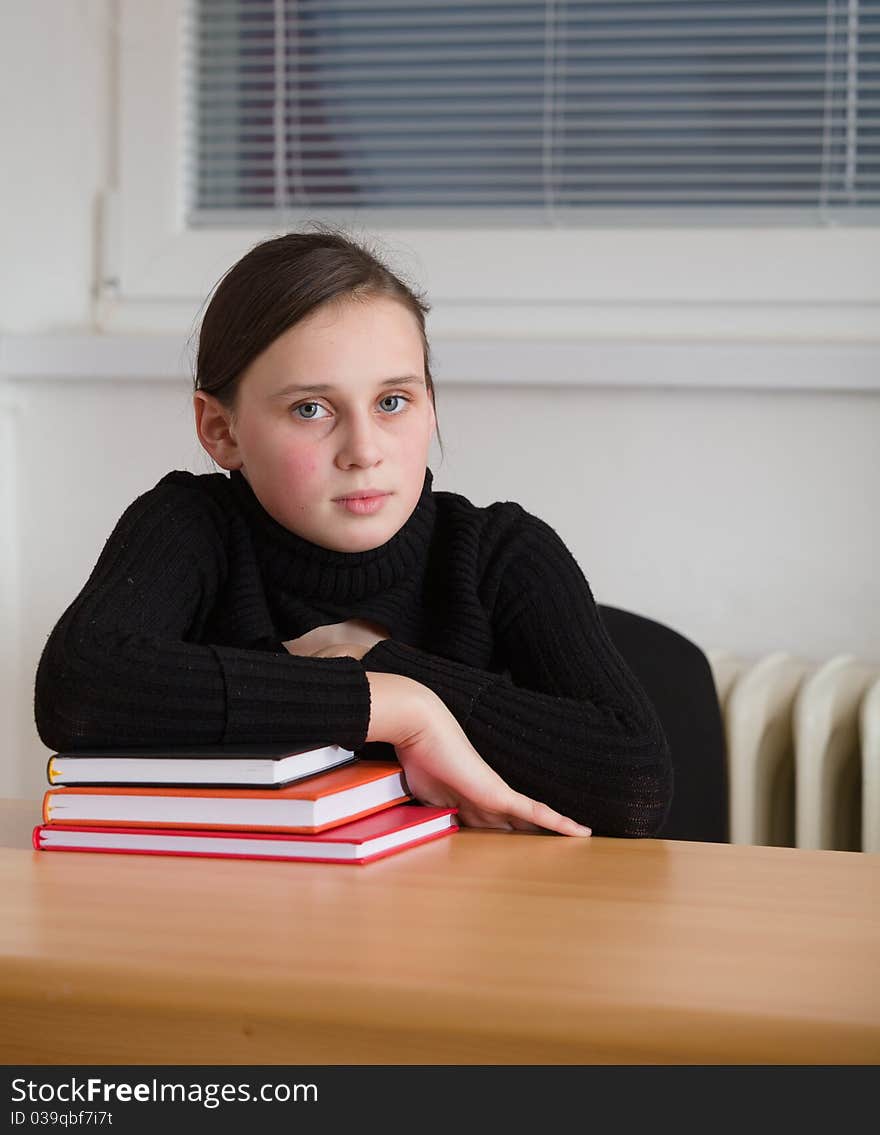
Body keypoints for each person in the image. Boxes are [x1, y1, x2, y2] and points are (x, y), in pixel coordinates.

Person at [34, 228, 672, 837]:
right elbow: (77, 688)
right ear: (221, 430)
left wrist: (373, 656)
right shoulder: (191, 527)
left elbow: (635, 784)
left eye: (393, 401)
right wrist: (399, 706)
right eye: (311, 409)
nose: (364, 451)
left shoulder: (500, 553)